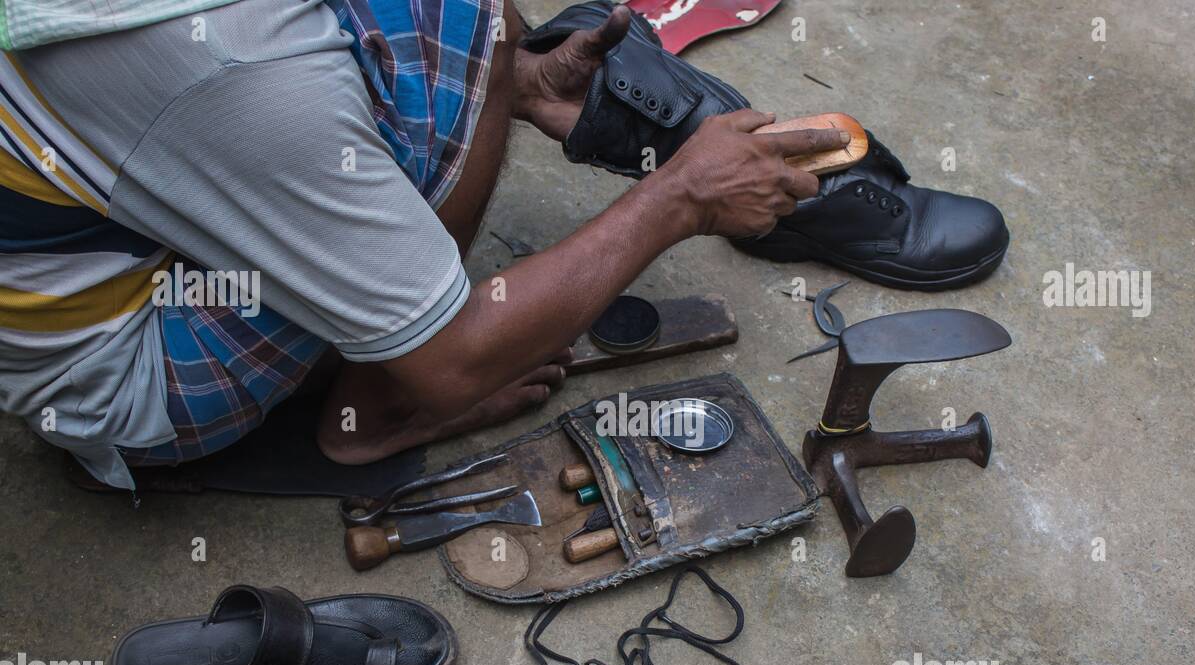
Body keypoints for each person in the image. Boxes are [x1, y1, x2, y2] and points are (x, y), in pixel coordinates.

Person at [0, 0, 1007, 491]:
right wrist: (675, 202)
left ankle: (576, 103)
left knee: (459, 24)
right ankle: (372, 407)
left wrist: (514, 80)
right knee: (460, 64)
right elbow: (454, 356)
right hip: (125, 370)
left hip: (125, 199)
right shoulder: (231, 72)